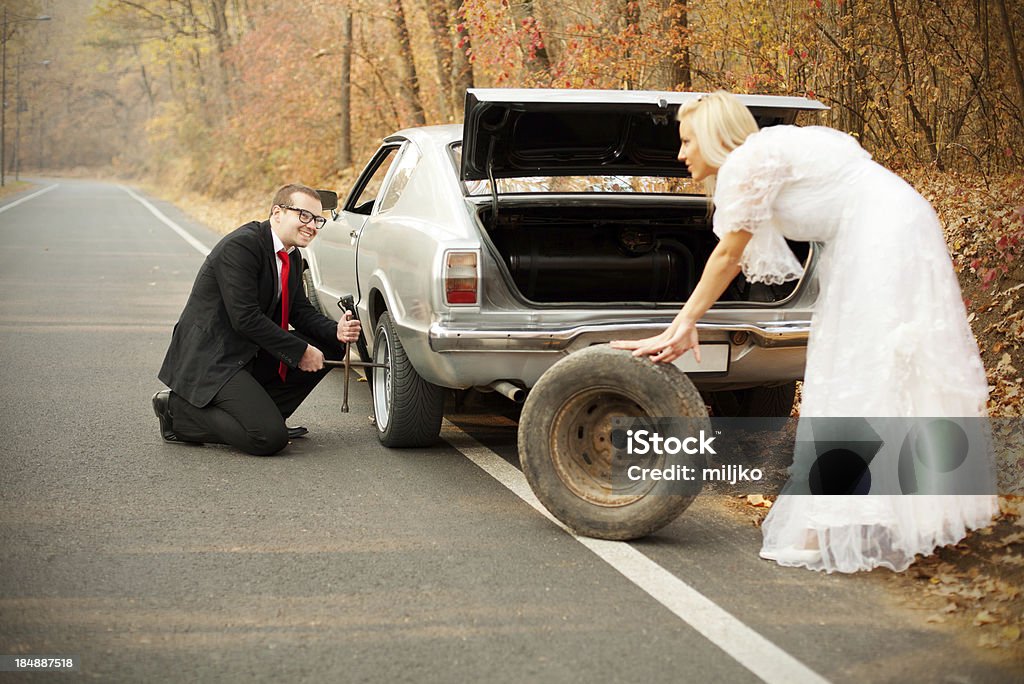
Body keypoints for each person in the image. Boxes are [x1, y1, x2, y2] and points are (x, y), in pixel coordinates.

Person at [612, 91, 998, 573]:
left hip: (883, 238)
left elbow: (727, 258)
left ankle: (830, 525)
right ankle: (876, 513)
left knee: (859, 375)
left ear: (712, 137)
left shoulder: (745, 164)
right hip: (888, 229)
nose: (681, 153)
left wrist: (685, 322)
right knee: (866, 374)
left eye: (687, 140)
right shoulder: (762, 154)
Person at [153, 183, 361, 456]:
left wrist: (337, 331)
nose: (312, 225)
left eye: (318, 219)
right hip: (215, 358)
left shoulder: (292, 256)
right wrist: (299, 351)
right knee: (268, 439)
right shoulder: (242, 246)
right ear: (277, 213)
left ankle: (265, 415)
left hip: (248, 353)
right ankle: (179, 412)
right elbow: (245, 318)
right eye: (304, 216)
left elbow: (300, 311)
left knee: (329, 343)